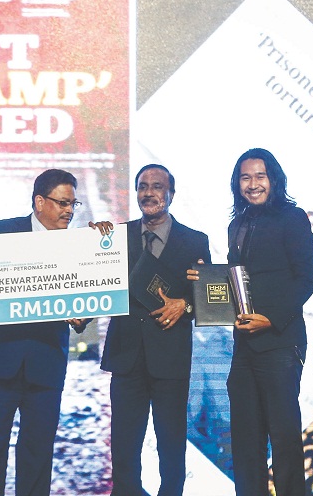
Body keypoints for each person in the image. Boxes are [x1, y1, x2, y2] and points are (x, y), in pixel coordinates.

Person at [0, 169, 111, 496]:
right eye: (62, 203)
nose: (69, 210)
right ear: (40, 202)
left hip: (46, 363)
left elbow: (87, 302)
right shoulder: (1, 232)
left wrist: (82, 317)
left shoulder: (80, 244)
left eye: (73, 203)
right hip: (0, 359)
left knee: (38, 452)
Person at [100, 164, 211, 496]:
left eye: (157, 186)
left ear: (170, 194)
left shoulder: (195, 241)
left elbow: (206, 297)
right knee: (123, 445)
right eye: (142, 186)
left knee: (172, 444)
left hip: (170, 357)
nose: (149, 192)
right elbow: (93, 283)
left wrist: (186, 305)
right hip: (126, 355)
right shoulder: (113, 237)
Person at [222, 148, 313, 496]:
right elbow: (237, 280)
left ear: (273, 179)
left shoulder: (292, 218)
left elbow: (308, 277)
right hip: (244, 345)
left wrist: (271, 319)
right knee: (246, 442)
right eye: (245, 177)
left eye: (260, 176)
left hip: (280, 341)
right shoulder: (237, 224)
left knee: (284, 437)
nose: (253, 184)